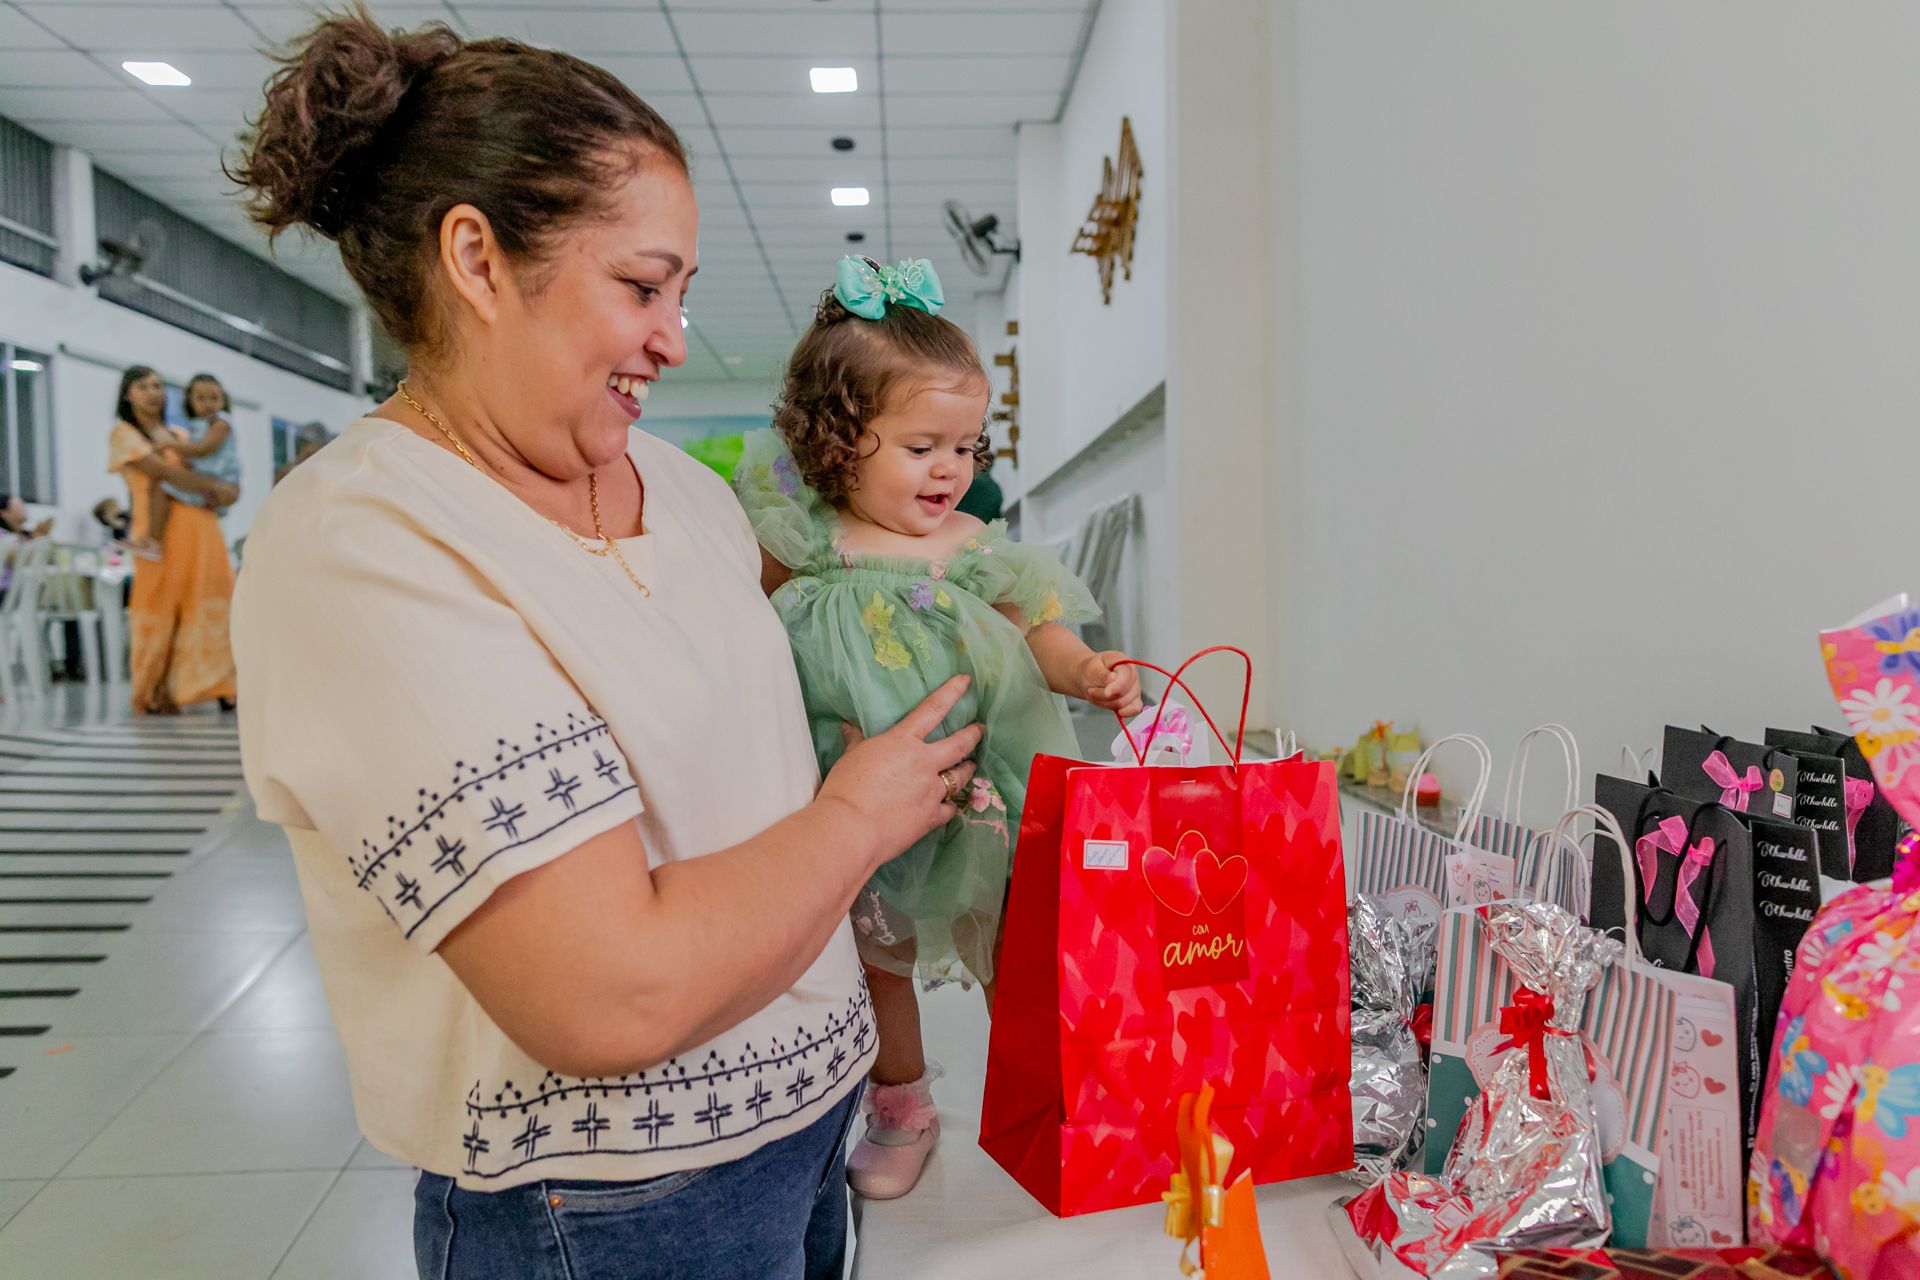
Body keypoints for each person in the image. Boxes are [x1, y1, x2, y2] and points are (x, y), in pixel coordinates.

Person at [225, 12, 979, 1277]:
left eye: (682, 294)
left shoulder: (680, 491)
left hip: (810, 1126)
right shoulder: (364, 540)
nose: (673, 338)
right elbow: (608, 989)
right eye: (640, 287)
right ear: (476, 258)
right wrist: (860, 813)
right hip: (610, 1204)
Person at [734, 255, 1144, 1200]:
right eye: (923, 446)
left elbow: (1035, 630)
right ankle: (901, 1103)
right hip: (847, 796)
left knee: (1008, 949)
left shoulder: (970, 548)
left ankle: (1046, 1099)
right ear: (840, 442)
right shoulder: (805, 540)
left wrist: (1086, 671)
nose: (952, 469)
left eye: (966, 446)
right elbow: (736, 627)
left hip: (972, 795)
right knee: (876, 959)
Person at [107, 365, 239, 714]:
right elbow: (162, 472)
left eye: (158, 385)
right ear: (128, 395)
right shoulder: (124, 434)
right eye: (143, 386)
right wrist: (217, 488)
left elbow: (216, 468)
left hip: (202, 527)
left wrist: (226, 490)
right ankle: (155, 688)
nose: (153, 393)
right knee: (158, 606)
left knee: (212, 600)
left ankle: (222, 685)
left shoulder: (181, 434)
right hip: (157, 534)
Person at [133, 373, 239, 559]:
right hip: (205, 490)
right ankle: (153, 540)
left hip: (218, 484)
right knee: (162, 489)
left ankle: (153, 540)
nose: (208, 404)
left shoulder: (220, 423)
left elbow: (202, 450)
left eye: (214, 398)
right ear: (190, 401)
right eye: (201, 398)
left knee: (162, 488)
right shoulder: (194, 427)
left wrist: (170, 445)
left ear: (224, 400)